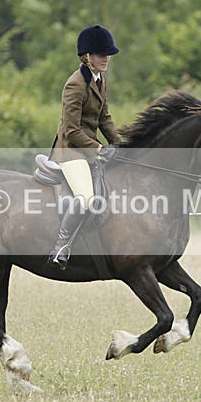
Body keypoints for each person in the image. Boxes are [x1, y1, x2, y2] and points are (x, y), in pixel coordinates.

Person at [48, 25, 122, 269]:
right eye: (101, 54)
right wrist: (99, 149)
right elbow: (70, 130)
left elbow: (104, 118)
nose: (106, 58)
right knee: (86, 197)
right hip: (70, 152)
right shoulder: (75, 84)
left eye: (108, 54)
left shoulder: (99, 79)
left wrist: (119, 143)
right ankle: (61, 246)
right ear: (87, 56)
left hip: (87, 148)